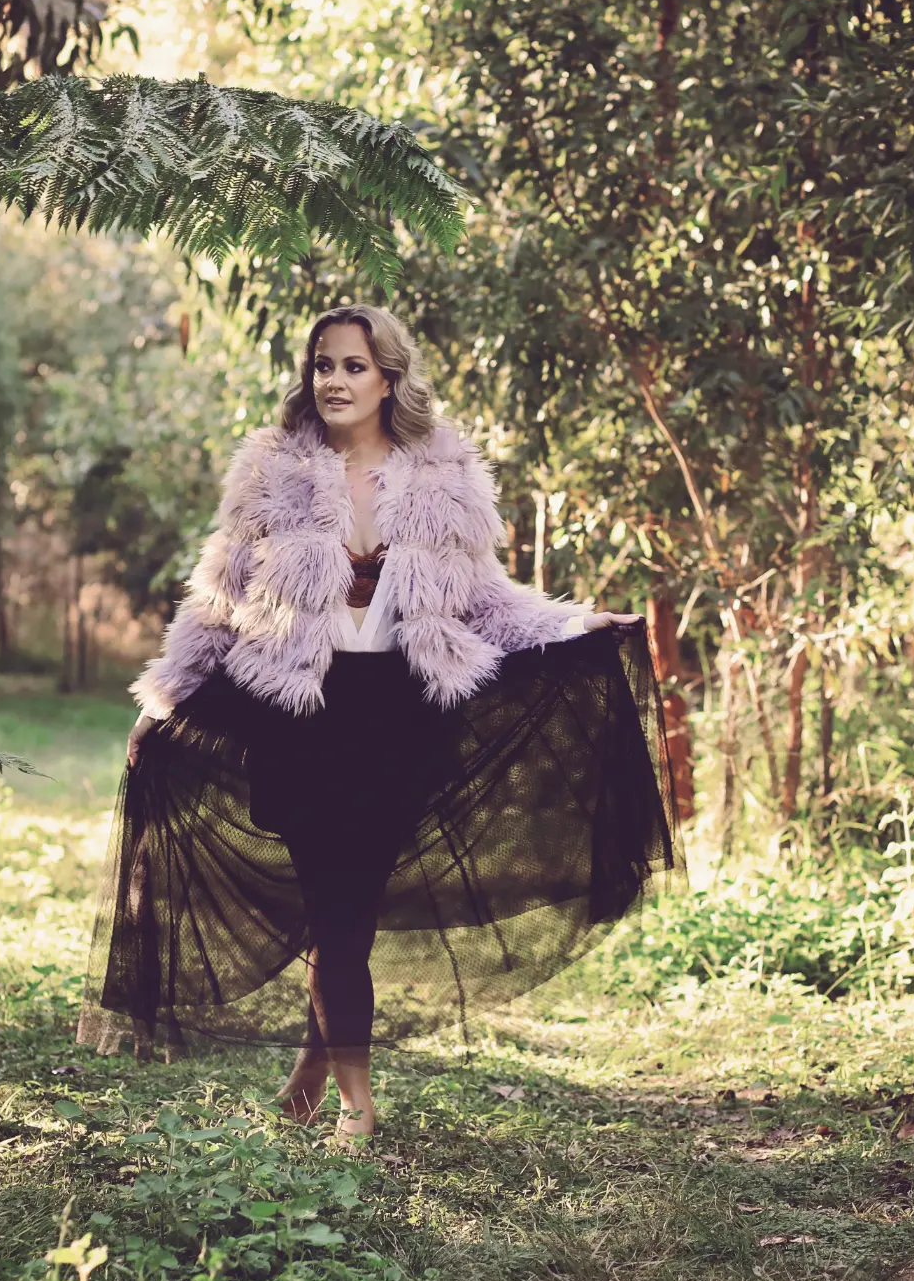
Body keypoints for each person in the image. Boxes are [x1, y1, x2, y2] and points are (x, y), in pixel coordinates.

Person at [78, 304, 679, 1137]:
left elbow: (485, 602)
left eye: (352, 366)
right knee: (336, 909)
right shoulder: (272, 472)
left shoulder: (444, 479)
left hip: (400, 719)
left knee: (347, 912)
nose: (333, 380)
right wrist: (167, 699)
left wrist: (576, 624)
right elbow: (218, 599)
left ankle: (309, 1068)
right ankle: (356, 1109)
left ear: (388, 378)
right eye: (322, 364)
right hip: (300, 715)